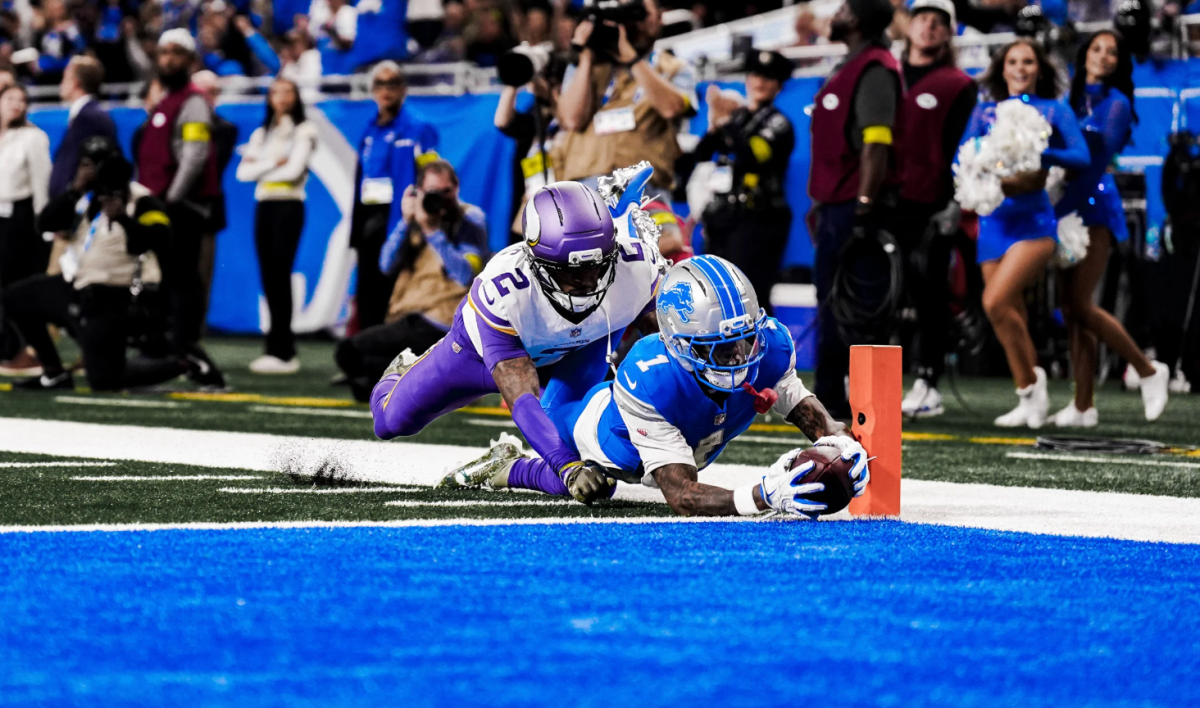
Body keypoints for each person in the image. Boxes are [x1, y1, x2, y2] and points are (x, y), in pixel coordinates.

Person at [442, 255, 870, 517]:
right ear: (680, 345)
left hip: (673, 424)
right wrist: (762, 496)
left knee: (597, 486)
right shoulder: (651, 377)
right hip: (596, 429)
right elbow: (681, 493)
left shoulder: (772, 344)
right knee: (592, 482)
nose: (742, 358)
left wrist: (837, 438)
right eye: (722, 349)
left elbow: (795, 399)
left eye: (747, 340)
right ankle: (508, 465)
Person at [370, 178, 664, 504]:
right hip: (479, 358)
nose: (587, 281)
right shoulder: (506, 290)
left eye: (597, 266)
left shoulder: (637, 268)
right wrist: (567, 467)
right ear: (537, 262)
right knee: (390, 422)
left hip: (581, 349)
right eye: (569, 271)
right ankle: (401, 371)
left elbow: (666, 354)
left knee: (596, 477)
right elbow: (522, 397)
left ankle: (506, 467)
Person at [960, 39, 1089, 428]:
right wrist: (984, 159)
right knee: (1006, 312)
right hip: (993, 222)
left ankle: (1035, 383)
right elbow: (961, 155)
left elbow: (1080, 156)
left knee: (994, 300)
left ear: (1039, 69)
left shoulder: (1054, 109)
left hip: (1034, 221)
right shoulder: (984, 111)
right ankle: (1029, 394)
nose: (1020, 68)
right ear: (1002, 69)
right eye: (1013, 62)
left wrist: (1038, 155)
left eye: (1028, 62)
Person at [7, 154, 213, 391]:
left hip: (116, 296)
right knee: (15, 298)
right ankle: (54, 372)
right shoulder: (84, 198)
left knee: (104, 381)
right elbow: (45, 224)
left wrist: (124, 220)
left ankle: (184, 364)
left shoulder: (142, 201)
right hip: (78, 287)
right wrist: (74, 190)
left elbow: (159, 242)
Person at [1051, 31, 1169, 426]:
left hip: (1095, 209)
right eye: (1097, 49)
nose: (1104, 57)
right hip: (1062, 208)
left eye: (1112, 53)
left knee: (1082, 304)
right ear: (1085, 55)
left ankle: (1149, 370)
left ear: (1119, 62)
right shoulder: (1067, 98)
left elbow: (1092, 161)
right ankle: (1083, 405)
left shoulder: (1117, 104)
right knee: (1071, 309)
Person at [809, 0, 903, 419]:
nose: (836, 13)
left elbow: (876, 142)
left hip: (856, 209)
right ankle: (830, 399)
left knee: (858, 308)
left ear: (861, 19)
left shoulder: (875, 69)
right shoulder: (850, 65)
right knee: (831, 304)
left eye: (845, 7)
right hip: (835, 206)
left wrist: (864, 206)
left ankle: (869, 406)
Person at [337, 159, 488, 401]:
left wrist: (433, 232)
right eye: (433, 192)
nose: (441, 198)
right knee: (356, 363)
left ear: (457, 188)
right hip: (409, 318)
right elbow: (385, 265)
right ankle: (440, 380)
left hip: (443, 321)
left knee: (355, 358)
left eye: (446, 191)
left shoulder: (469, 218)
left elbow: (464, 275)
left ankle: (434, 379)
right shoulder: (416, 217)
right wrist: (405, 221)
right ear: (419, 192)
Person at [893, 0, 977, 418]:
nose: (928, 26)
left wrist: (954, 204)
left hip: (930, 206)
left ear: (948, 33)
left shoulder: (958, 83)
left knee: (928, 293)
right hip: (884, 201)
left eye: (937, 21)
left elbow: (966, 149)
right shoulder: (883, 73)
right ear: (908, 25)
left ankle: (927, 381)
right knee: (878, 293)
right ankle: (871, 380)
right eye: (921, 17)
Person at [135, 29, 226, 387]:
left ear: (190, 60)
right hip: (161, 205)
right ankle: (166, 354)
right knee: (168, 284)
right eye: (163, 52)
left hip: (181, 208)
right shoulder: (166, 101)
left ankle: (186, 355)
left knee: (181, 285)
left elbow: (195, 157)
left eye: (176, 53)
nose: (168, 59)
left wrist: (171, 199)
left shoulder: (193, 102)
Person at [555, 0, 697, 192]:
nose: (633, 23)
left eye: (638, 12)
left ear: (658, 18)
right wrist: (587, 52)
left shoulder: (674, 67)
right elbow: (572, 120)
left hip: (643, 190)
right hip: (586, 191)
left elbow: (672, 108)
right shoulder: (589, 67)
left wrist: (630, 58)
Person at [695, 49, 795, 317]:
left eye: (768, 77)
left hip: (759, 220)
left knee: (751, 296)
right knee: (716, 296)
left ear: (780, 85)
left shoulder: (779, 123)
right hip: (725, 217)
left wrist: (726, 121)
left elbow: (753, 156)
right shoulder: (737, 118)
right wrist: (715, 124)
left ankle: (765, 356)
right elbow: (701, 155)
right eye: (754, 75)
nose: (759, 82)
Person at [236, 77, 319, 375]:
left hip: (288, 205)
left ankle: (284, 350)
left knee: (280, 273)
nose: (280, 97)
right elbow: (243, 174)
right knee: (268, 276)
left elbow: (295, 169)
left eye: (287, 92)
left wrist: (261, 162)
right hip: (265, 205)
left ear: (296, 97)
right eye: (275, 92)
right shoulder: (263, 131)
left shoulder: (304, 130)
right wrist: (274, 161)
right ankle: (275, 347)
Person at [350, 62, 440, 332]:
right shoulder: (369, 130)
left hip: (401, 219)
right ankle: (364, 362)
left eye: (392, 84)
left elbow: (430, 176)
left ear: (403, 88)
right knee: (366, 287)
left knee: (392, 290)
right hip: (370, 218)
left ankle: (387, 367)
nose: (386, 90)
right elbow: (361, 178)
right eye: (380, 84)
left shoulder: (419, 127)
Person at [190, 70, 239, 331]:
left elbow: (210, 166)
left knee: (201, 276)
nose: (205, 98)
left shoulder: (224, 129)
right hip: (178, 211)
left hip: (205, 214)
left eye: (211, 92)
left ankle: (193, 339)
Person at [49, 57, 118, 199]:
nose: (61, 83)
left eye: (65, 78)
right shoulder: (85, 115)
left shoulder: (90, 117)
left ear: (75, 83)